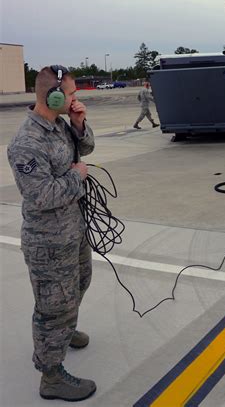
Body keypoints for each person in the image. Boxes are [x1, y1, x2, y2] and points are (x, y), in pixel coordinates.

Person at [7, 66, 96, 401]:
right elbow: (41, 196)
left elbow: (84, 149)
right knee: (52, 307)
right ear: (53, 96)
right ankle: (51, 376)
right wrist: (78, 177)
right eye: (71, 94)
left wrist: (78, 123)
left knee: (80, 282)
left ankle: (65, 330)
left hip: (73, 229)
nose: (75, 99)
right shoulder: (26, 142)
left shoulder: (59, 125)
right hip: (48, 241)